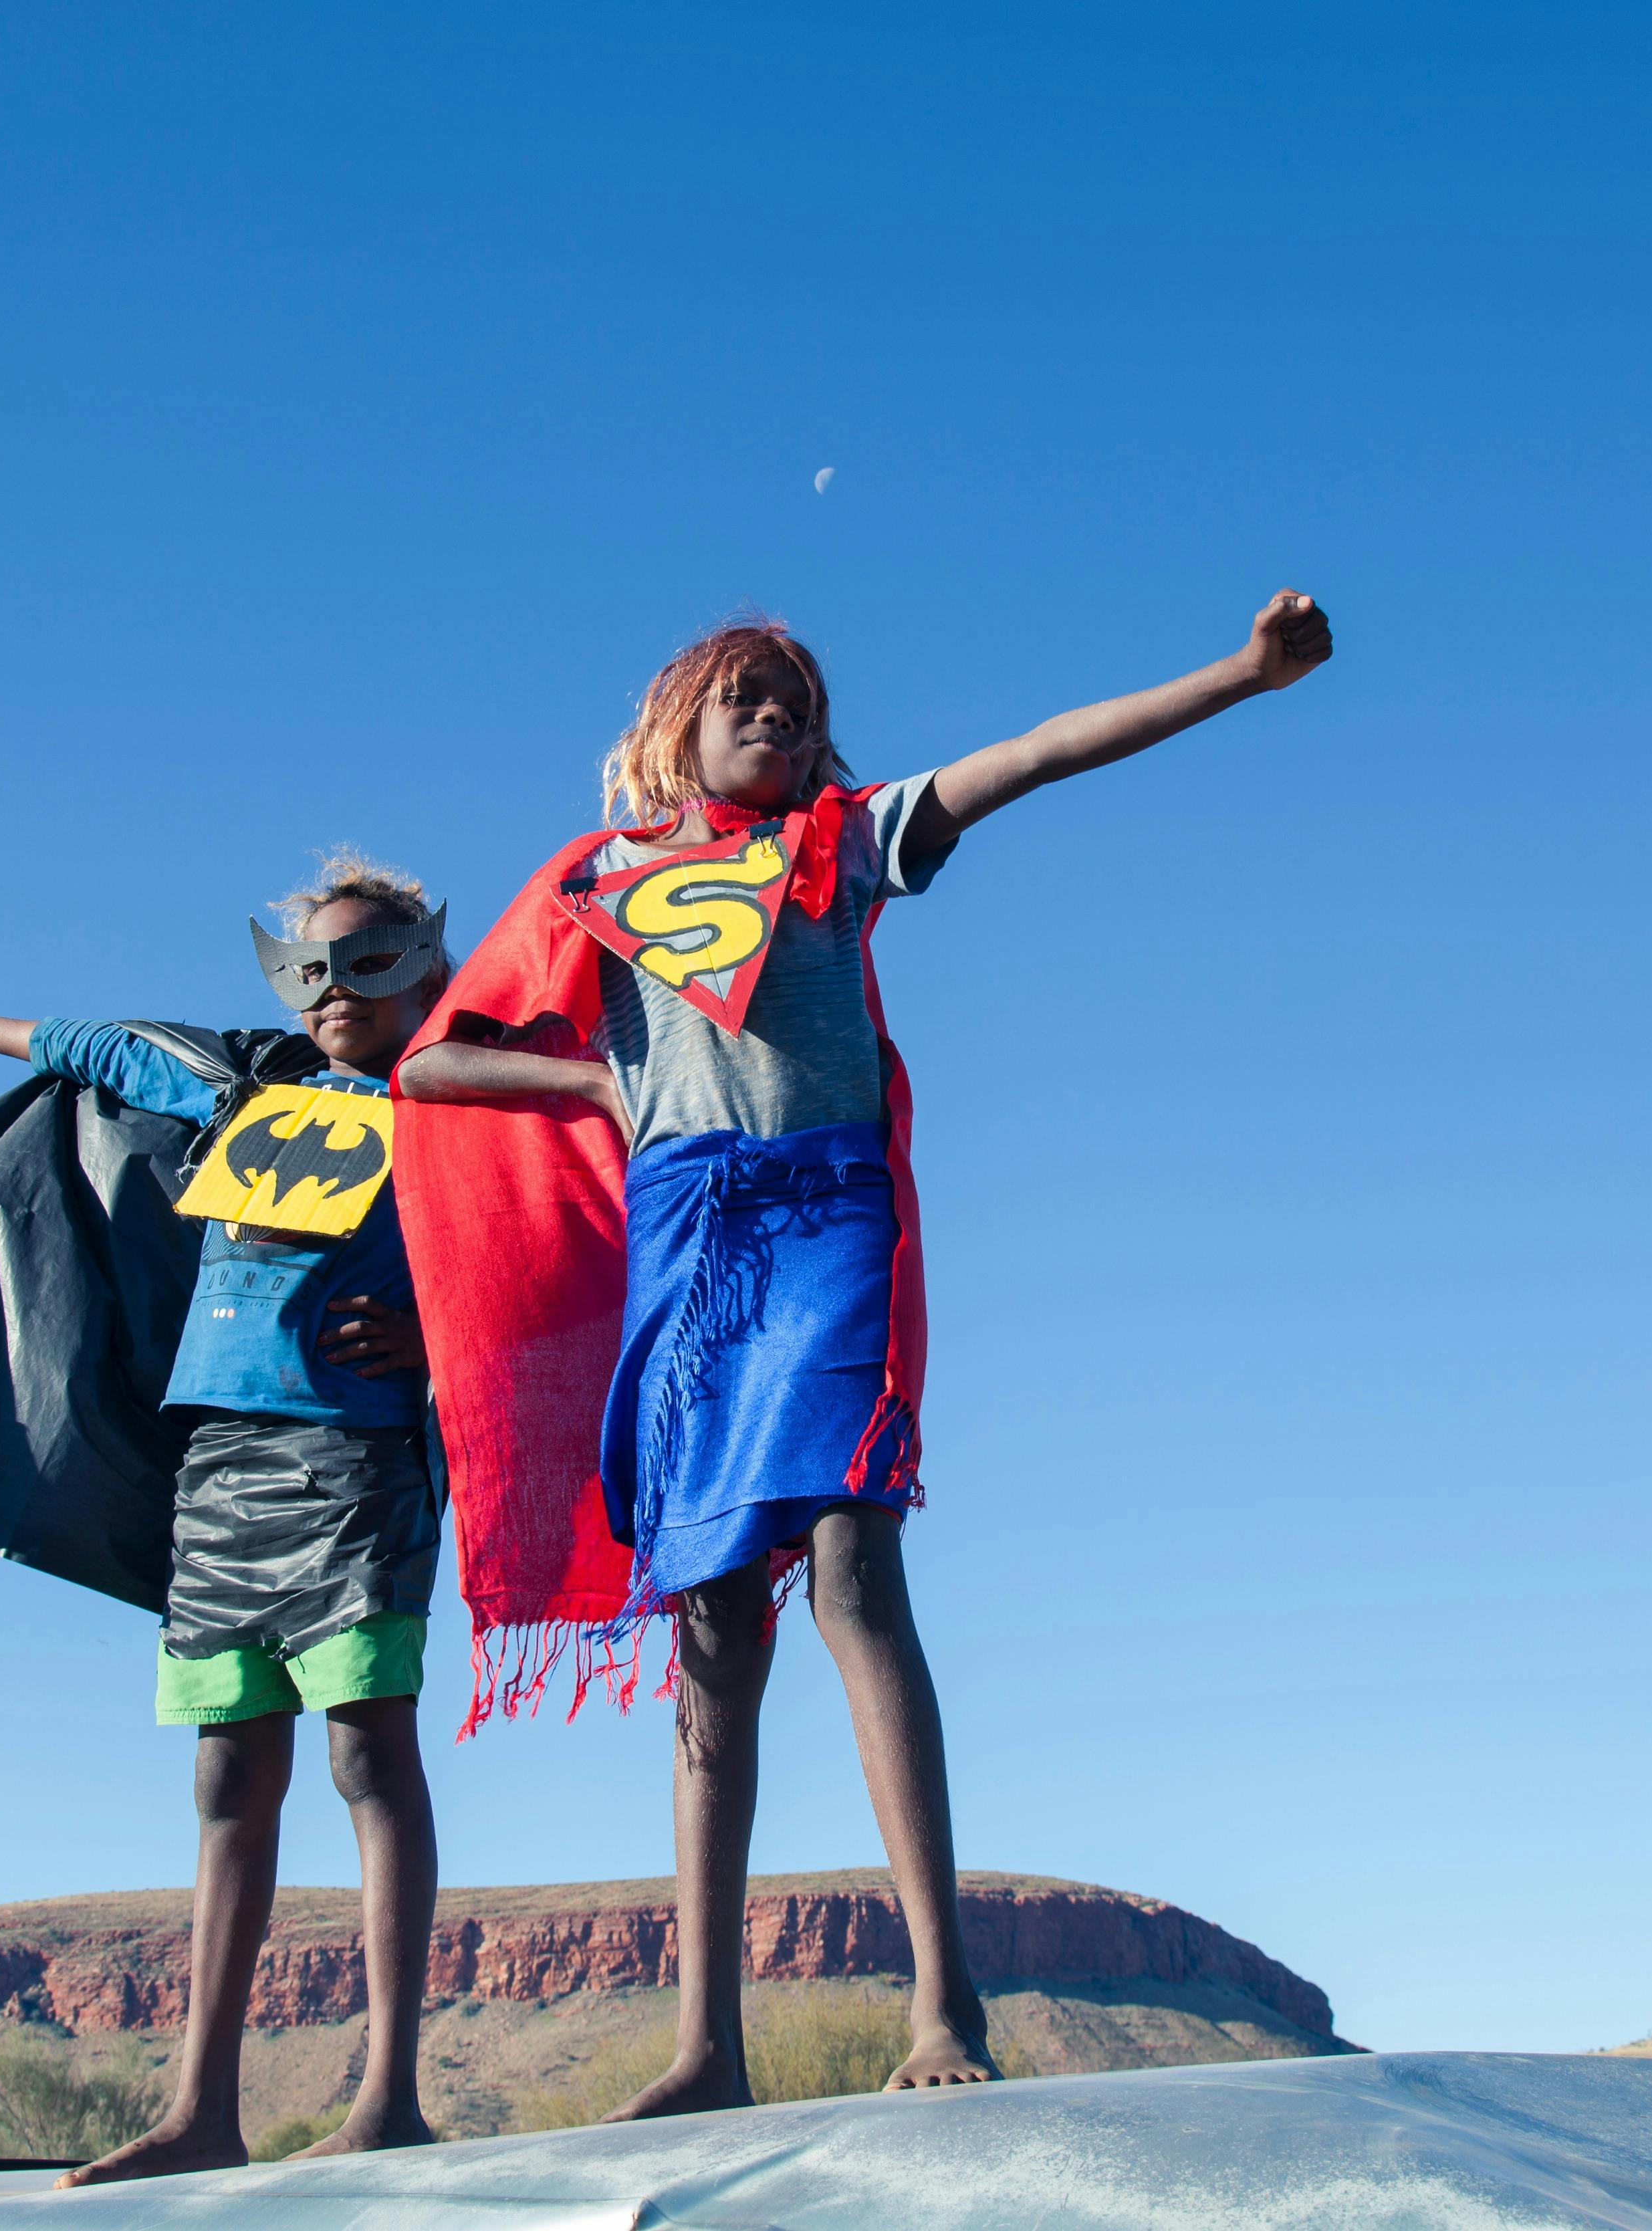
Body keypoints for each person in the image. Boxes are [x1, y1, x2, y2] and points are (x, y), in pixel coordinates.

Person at [394, 592, 1335, 2115]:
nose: (771, 714)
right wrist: (586, 1089)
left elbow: (1030, 757)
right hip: (687, 1235)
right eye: (740, 697)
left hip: (826, 1207)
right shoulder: (598, 881)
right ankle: (708, 2045)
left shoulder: (838, 845)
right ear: (673, 734)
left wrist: (1242, 674)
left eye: (793, 700)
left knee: (851, 1563)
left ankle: (940, 1998)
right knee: (711, 1627)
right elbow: (434, 1054)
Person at [0, 851, 455, 2182]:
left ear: (426, 963)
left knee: (368, 1749)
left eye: (369, 960)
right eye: (311, 967)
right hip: (218, 1465)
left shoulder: (461, 1099)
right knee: (225, 1774)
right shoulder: (253, 1082)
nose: (335, 989)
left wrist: (437, 1330)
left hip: (356, 1462)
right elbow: (98, 1050)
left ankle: (392, 2089)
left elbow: (550, 1245)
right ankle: (204, 2107)